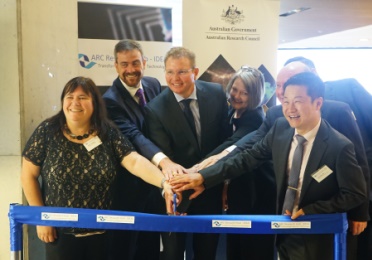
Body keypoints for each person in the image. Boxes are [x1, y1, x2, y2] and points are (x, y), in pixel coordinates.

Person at [171, 72, 368, 260]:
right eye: (286, 101)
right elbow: (246, 158)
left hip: (319, 238)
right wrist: (204, 178)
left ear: (318, 103)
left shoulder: (339, 146)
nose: (290, 109)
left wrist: (313, 210)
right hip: (283, 233)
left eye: (298, 101)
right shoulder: (280, 129)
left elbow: (355, 194)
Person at [21, 77, 174, 260]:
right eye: (70, 97)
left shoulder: (107, 132)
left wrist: (164, 182)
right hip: (58, 234)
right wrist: (41, 218)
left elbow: (134, 162)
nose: (75, 103)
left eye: (83, 97)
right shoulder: (47, 131)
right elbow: (28, 175)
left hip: (103, 235)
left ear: (95, 103)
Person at [144, 47, 230, 260]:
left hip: (210, 188)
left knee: (207, 253)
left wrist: (216, 180)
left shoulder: (216, 94)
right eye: (169, 72)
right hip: (177, 194)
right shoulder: (155, 109)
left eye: (182, 72)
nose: (175, 78)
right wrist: (178, 187)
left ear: (195, 71)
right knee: (173, 254)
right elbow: (166, 158)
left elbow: (225, 142)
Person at [284, 56, 372, 260]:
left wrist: (360, 211)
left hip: (359, 193)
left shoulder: (346, 89)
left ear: (313, 73)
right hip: (321, 204)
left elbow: (361, 158)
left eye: (298, 77)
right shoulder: (289, 114)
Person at [102, 39, 182, 260]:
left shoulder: (153, 84)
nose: (131, 70)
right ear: (116, 66)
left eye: (135, 63)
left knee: (151, 249)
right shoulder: (110, 102)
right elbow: (135, 137)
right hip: (131, 189)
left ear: (144, 62)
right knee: (129, 250)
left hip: (157, 189)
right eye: (124, 64)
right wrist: (164, 162)